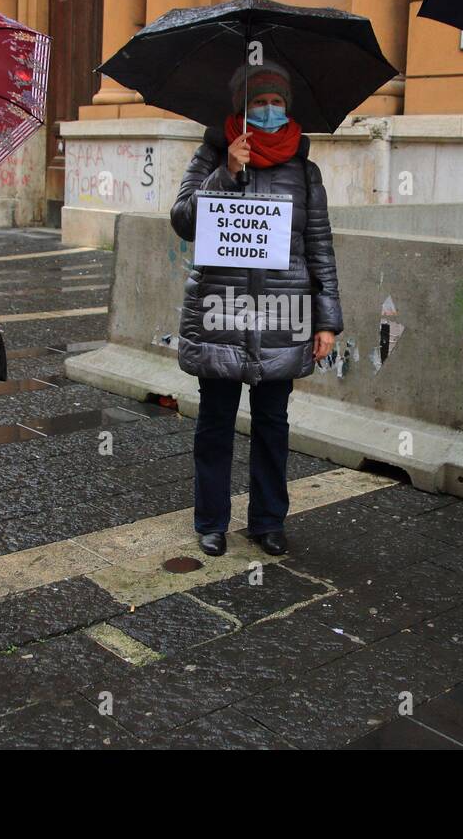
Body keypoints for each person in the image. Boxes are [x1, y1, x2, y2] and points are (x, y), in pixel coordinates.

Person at [170, 62, 342, 558]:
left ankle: (269, 521)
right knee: (215, 422)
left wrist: (327, 318)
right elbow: (183, 221)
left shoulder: (304, 172)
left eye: (277, 102)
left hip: (282, 313)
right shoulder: (210, 157)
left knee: (273, 423)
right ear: (241, 110)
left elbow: (319, 246)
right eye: (259, 103)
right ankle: (211, 522)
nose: (269, 111)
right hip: (221, 310)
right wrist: (228, 173)